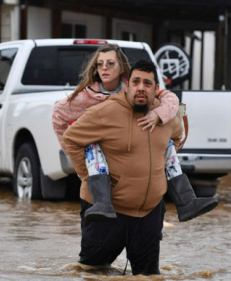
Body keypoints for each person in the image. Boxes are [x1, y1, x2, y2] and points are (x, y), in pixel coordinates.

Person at [52, 44, 217, 223]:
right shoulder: (86, 97)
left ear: (121, 67)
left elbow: (171, 99)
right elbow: (58, 116)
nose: (104, 68)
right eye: (100, 64)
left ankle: (187, 202)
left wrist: (158, 114)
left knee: (166, 145)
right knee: (94, 144)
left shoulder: (135, 85)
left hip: (140, 147)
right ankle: (102, 203)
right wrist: (77, 159)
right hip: (99, 154)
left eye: (110, 63)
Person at [62, 59, 183, 275]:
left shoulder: (165, 116)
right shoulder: (105, 111)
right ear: (127, 86)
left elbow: (178, 137)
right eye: (135, 82)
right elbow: (70, 139)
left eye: (147, 83)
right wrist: (89, 178)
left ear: (156, 90)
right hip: (107, 212)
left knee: (147, 276)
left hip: (149, 212)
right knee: (91, 272)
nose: (140, 88)